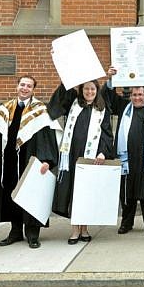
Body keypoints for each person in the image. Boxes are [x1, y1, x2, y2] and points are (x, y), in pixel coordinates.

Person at [0, 75, 61, 249]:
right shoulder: (5, 108)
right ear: (17, 86)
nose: (24, 88)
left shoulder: (39, 110)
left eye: (28, 86)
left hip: (30, 159)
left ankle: (32, 234)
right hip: (9, 159)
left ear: (33, 89)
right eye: (22, 84)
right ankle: (15, 232)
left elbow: (47, 136)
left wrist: (47, 160)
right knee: (10, 193)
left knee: (31, 194)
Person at [48, 80, 113, 244]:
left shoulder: (102, 109)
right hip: (71, 156)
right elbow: (57, 103)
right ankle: (75, 230)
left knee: (86, 192)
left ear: (96, 91)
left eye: (92, 89)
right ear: (81, 90)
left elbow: (107, 133)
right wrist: (66, 79)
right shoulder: (73, 103)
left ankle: (84, 228)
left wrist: (103, 153)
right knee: (74, 191)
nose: (89, 92)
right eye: (86, 89)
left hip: (91, 158)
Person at [103, 68, 144, 236]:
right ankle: (126, 223)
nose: (137, 98)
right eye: (134, 95)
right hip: (126, 158)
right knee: (127, 194)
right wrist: (111, 79)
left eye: (140, 94)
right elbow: (107, 97)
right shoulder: (123, 108)